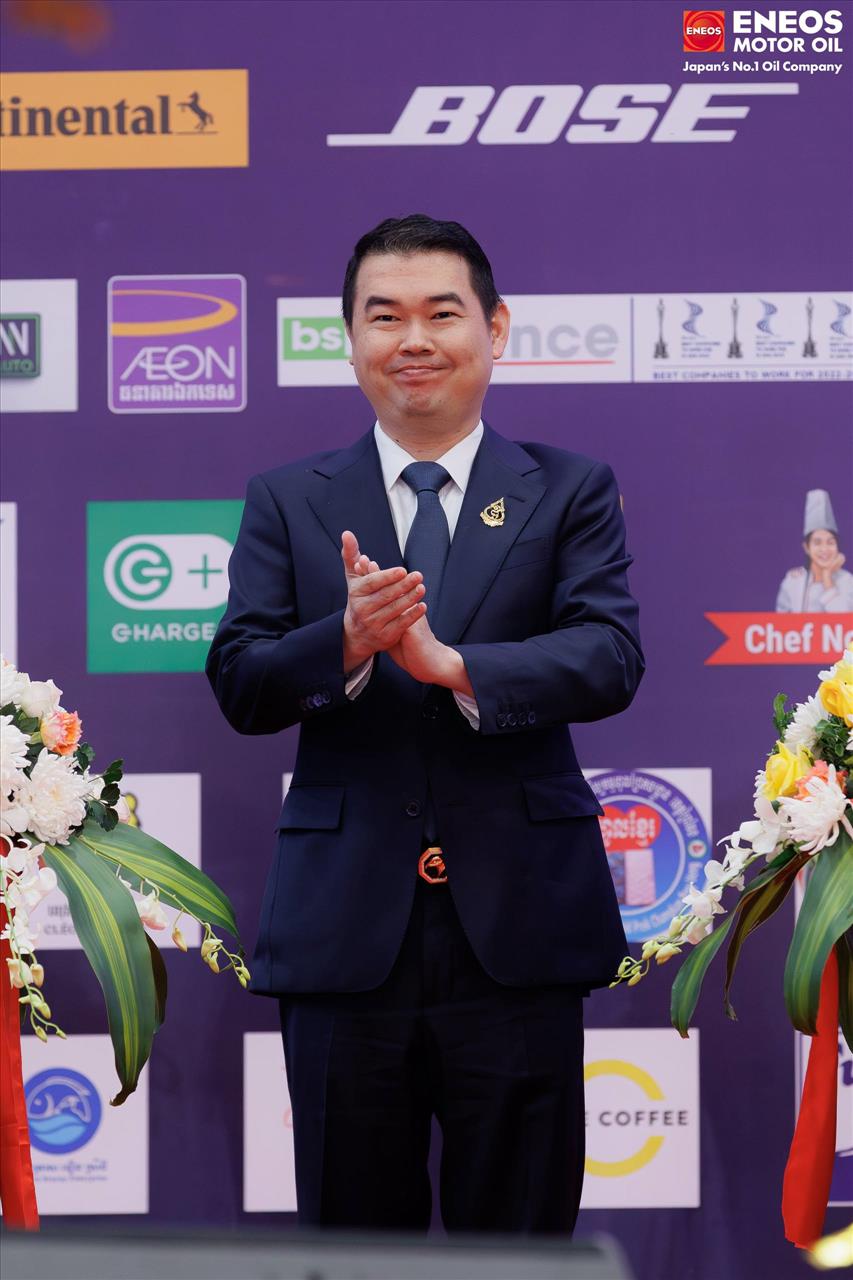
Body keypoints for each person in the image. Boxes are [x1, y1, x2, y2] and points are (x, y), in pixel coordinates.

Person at [206, 214, 644, 1234]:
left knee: (522, 1241)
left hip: (520, 926)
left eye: (442, 313)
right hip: (344, 931)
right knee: (355, 1242)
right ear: (349, 338)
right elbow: (241, 681)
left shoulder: (568, 487)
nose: (414, 339)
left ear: (495, 328)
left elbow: (609, 654)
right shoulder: (288, 499)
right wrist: (345, 643)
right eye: (384, 316)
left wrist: (455, 666)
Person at [776, 488, 853, 612]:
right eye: (817, 542)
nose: (824, 549)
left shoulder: (847, 580)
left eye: (830, 542)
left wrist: (827, 576)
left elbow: (845, 619)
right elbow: (780, 620)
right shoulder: (793, 580)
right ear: (806, 547)